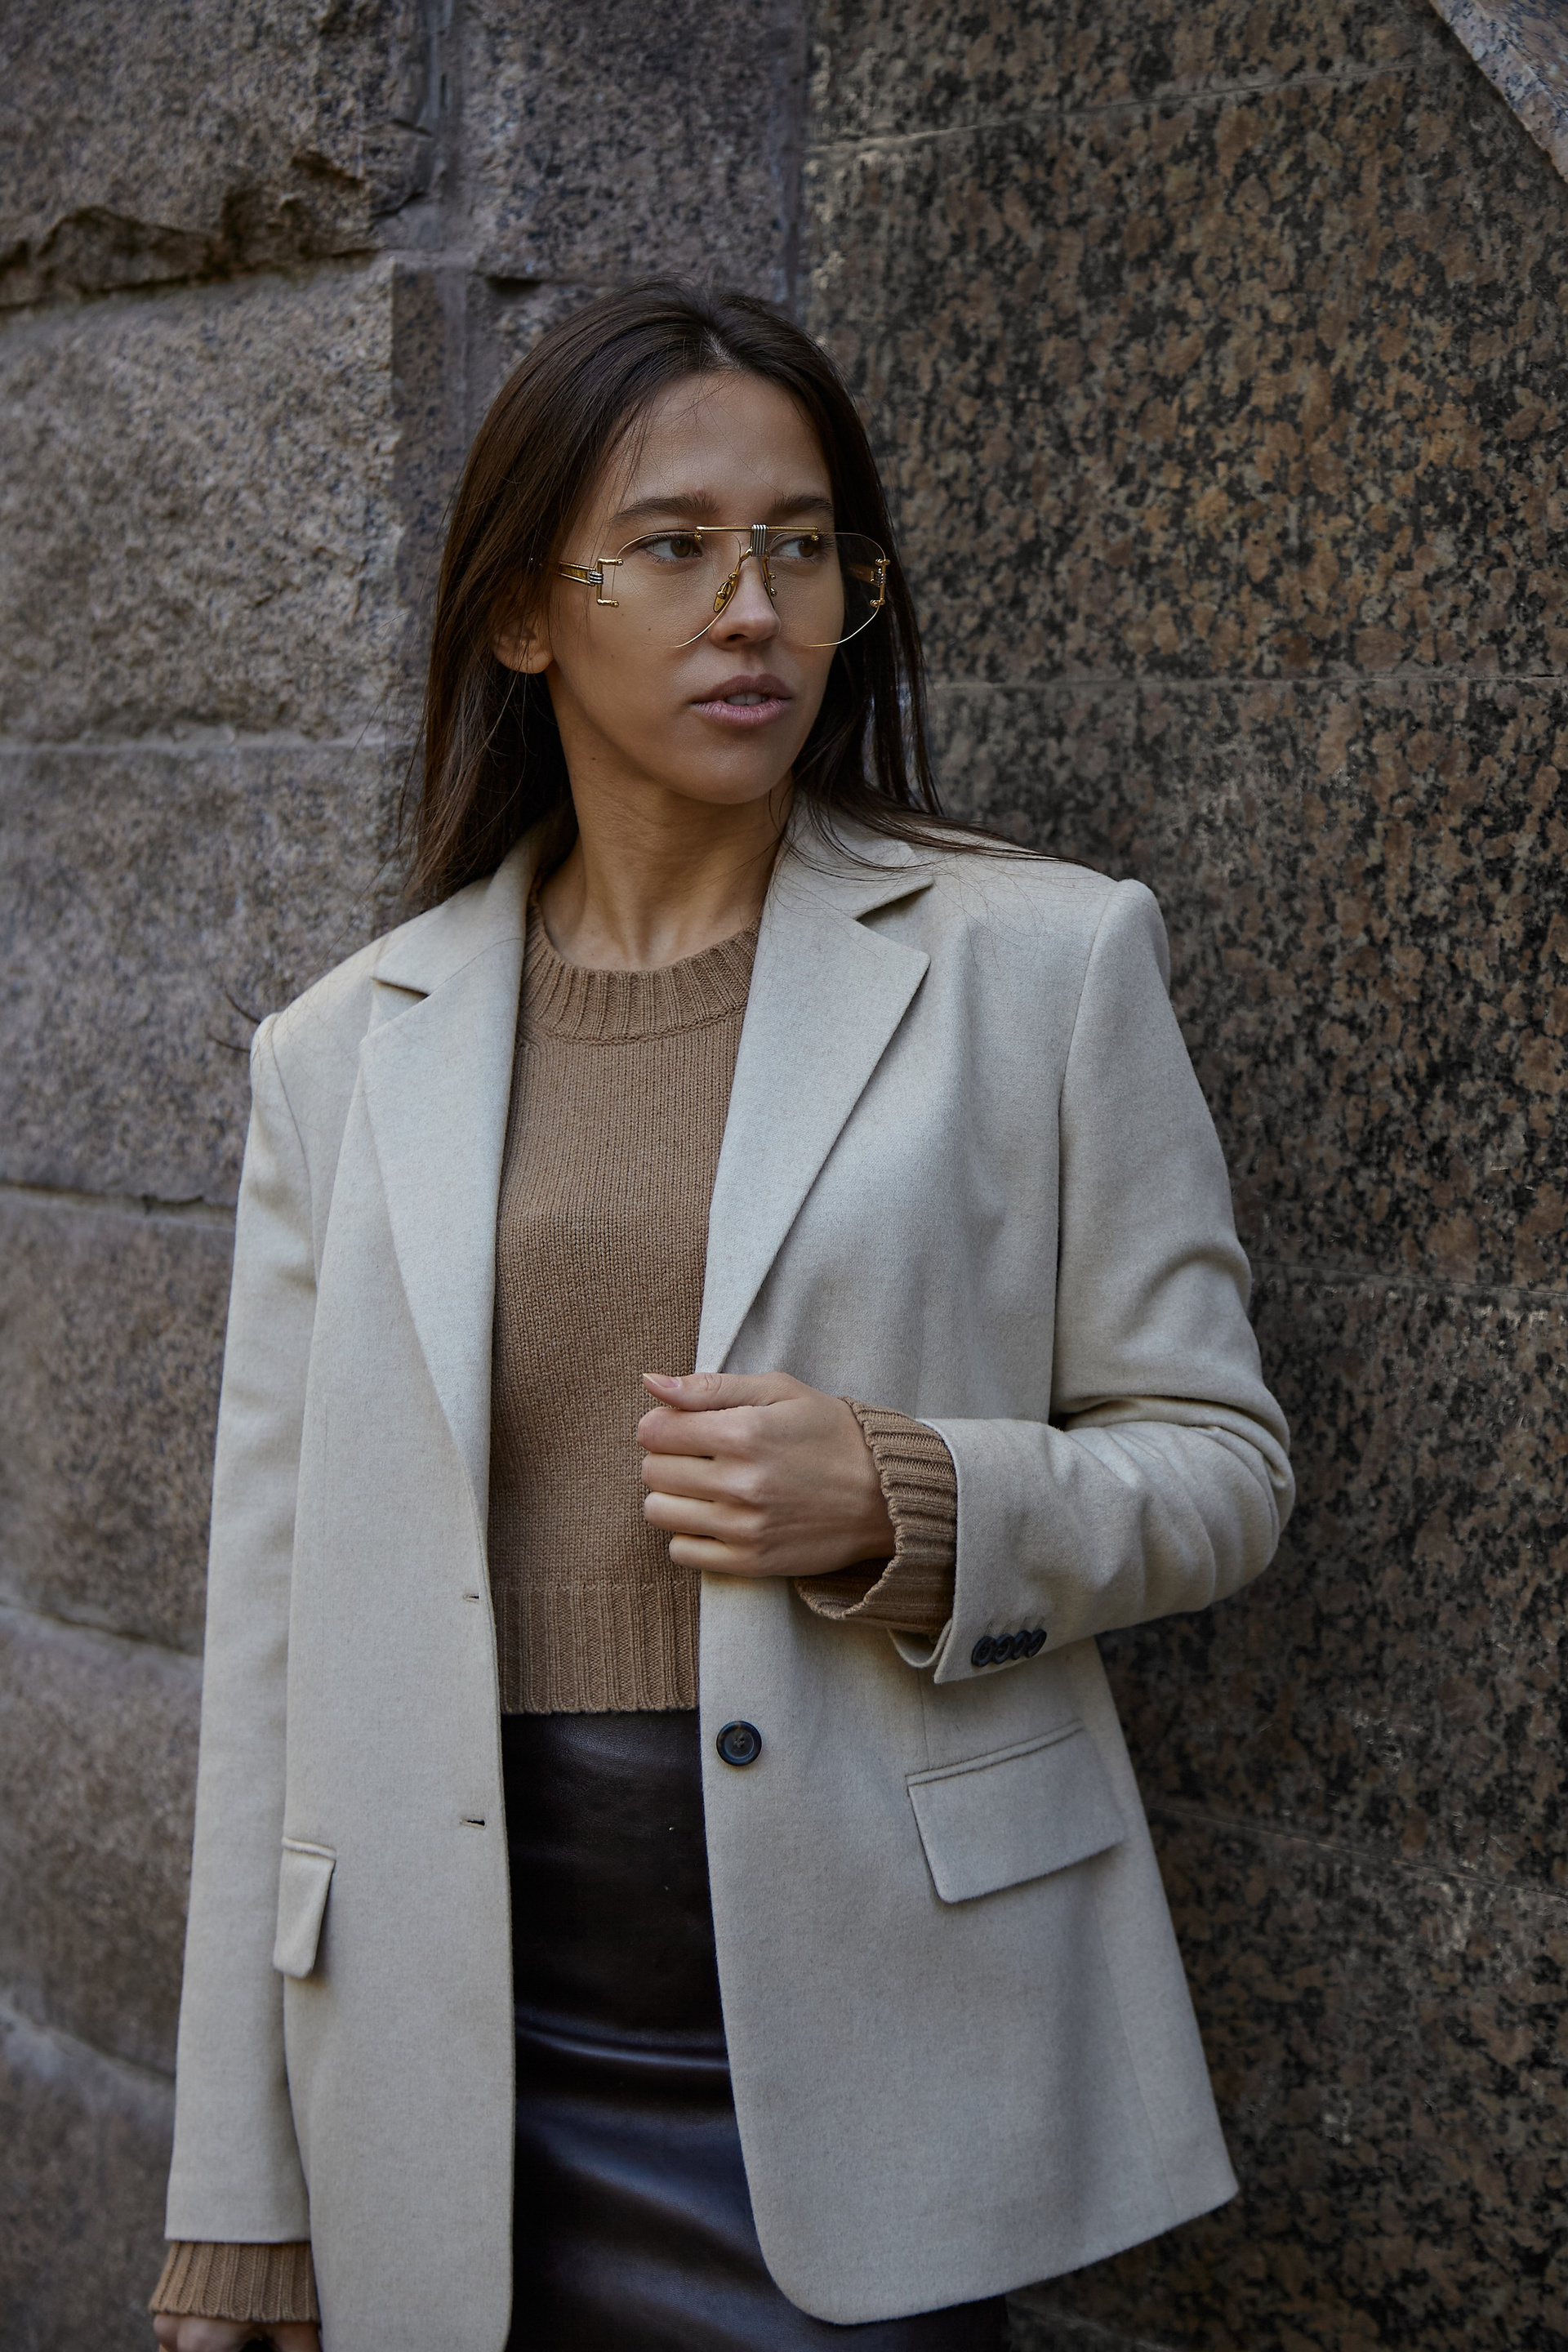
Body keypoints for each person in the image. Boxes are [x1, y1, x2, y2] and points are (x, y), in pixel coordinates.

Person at [149, 281, 1293, 2352]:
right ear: (527, 612)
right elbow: (275, 1636)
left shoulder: (1043, 963)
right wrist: (240, 2196)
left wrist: (906, 1499)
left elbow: (1220, 1467)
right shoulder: (343, 1052)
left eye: (803, 546)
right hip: (450, 2042)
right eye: (674, 548)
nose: (754, 608)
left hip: (868, 2027)